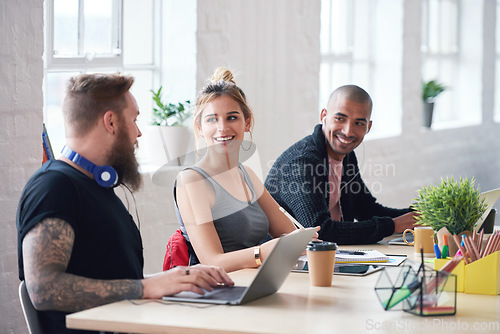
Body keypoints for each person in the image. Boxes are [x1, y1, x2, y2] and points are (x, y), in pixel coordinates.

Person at [16, 73, 233, 334]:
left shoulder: (95, 186)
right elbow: (44, 289)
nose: (139, 132)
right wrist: (145, 287)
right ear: (110, 122)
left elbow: (113, 282)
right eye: (134, 120)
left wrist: (174, 279)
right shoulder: (54, 187)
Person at [175, 68, 316, 273]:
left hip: (256, 284)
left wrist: (301, 239)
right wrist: (264, 252)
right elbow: (211, 261)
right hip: (217, 291)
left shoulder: (246, 174)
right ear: (199, 127)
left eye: (232, 117)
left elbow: (287, 232)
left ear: (247, 122)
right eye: (212, 119)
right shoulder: (191, 181)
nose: (222, 128)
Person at [264, 85, 417, 245]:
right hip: (285, 260)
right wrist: (393, 226)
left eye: (359, 123)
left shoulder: (346, 155)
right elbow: (320, 231)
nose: (348, 131)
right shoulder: (302, 162)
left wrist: (422, 214)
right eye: (340, 119)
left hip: (325, 256)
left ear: (368, 127)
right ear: (324, 116)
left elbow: (367, 210)